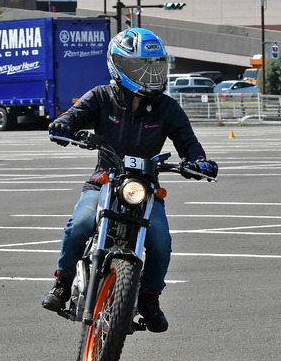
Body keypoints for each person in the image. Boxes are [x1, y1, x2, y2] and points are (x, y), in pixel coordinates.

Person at [41, 28, 218, 333]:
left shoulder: (168, 108)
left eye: (154, 67)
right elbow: (74, 115)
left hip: (144, 188)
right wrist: (63, 125)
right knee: (80, 224)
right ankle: (62, 282)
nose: (149, 74)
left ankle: (150, 298)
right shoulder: (101, 97)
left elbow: (188, 142)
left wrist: (198, 161)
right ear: (119, 66)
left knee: (161, 242)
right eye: (140, 67)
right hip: (104, 181)